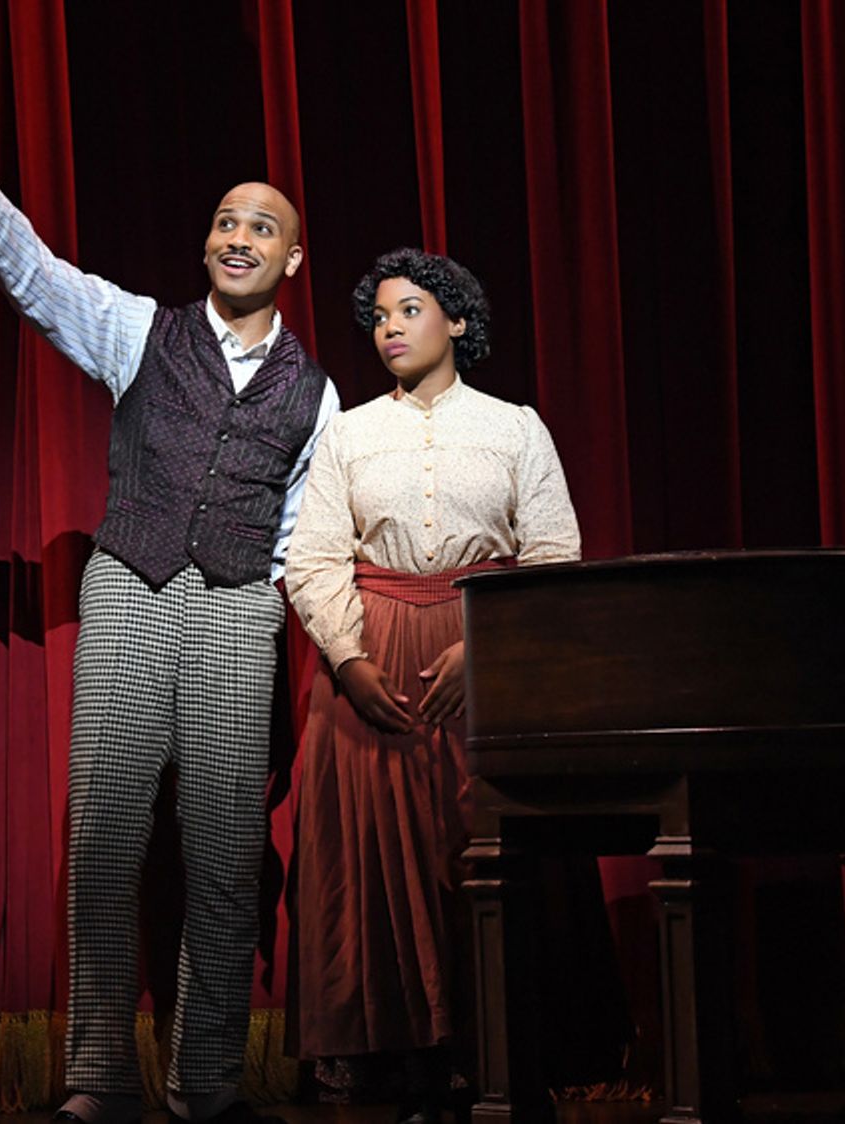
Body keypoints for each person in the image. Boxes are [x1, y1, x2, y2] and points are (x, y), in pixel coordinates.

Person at [0, 63, 339, 1124]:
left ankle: (205, 1084)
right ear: (208, 246)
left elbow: (307, 537)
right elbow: (39, 277)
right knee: (106, 835)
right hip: (129, 585)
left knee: (223, 849)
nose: (238, 235)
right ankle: (99, 1079)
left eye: (261, 225)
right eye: (223, 222)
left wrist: (316, 639)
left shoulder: (316, 393)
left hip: (241, 610)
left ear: (292, 257)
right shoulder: (138, 330)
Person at [284, 248, 582, 1123]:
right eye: (378, 317)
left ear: (456, 321)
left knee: (475, 852)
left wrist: (486, 644)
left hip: (484, 650)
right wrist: (349, 661)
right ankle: (393, 1063)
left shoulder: (516, 426)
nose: (389, 329)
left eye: (408, 310)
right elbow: (312, 560)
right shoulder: (347, 433)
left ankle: (486, 1056)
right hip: (371, 660)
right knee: (374, 860)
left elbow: (555, 552)